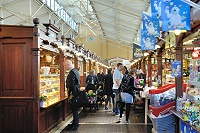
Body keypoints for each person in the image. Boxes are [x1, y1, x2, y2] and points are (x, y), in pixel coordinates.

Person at [63, 59, 80, 131]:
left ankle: (75, 125)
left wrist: (69, 92)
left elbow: (71, 84)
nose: (64, 67)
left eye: (64, 65)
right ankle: (74, 123)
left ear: (68, 65)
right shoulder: (76, 71)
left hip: (73, 94)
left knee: (74, 110)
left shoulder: (71, 73)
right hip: (76, 93)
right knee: (75, 110)